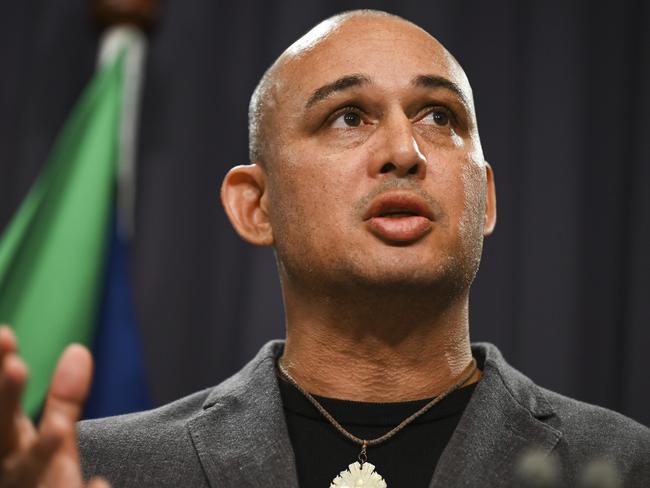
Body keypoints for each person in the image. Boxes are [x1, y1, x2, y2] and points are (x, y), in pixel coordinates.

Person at [1, 9, 648, 488]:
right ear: (255, 206)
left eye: (439, 117)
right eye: (348, 117)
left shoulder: (623, 463)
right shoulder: (99, 471)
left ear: (487, 199)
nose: (404, 151)